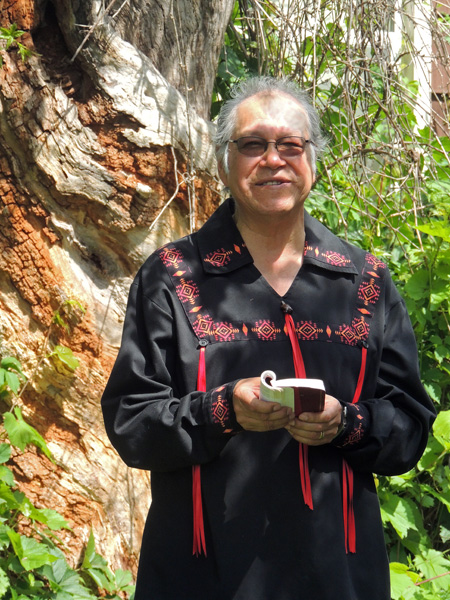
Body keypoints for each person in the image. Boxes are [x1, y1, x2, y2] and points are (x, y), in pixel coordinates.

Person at [101, 77, 435, 600]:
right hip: (203, 578)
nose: (273, 160)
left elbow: (410, 427)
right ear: (223, 163)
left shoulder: (365, 280)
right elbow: (131, 421)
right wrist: (221, 409)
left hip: (338, 578)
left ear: (313, 160)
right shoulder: (172, 276)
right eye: (252, 144)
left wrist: (345, 422)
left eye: (290, 145)